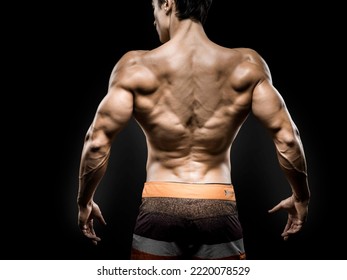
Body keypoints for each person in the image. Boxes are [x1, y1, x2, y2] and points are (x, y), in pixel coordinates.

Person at [77, 0, 310, 260]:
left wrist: (84, 202)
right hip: (218, 205)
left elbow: (96, 142)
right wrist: (301, 197)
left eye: (153, 7)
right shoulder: (246, 64)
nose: (153, 20)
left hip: (159, 204)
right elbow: (289, 139)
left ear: (167, 3)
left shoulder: (134, 67)